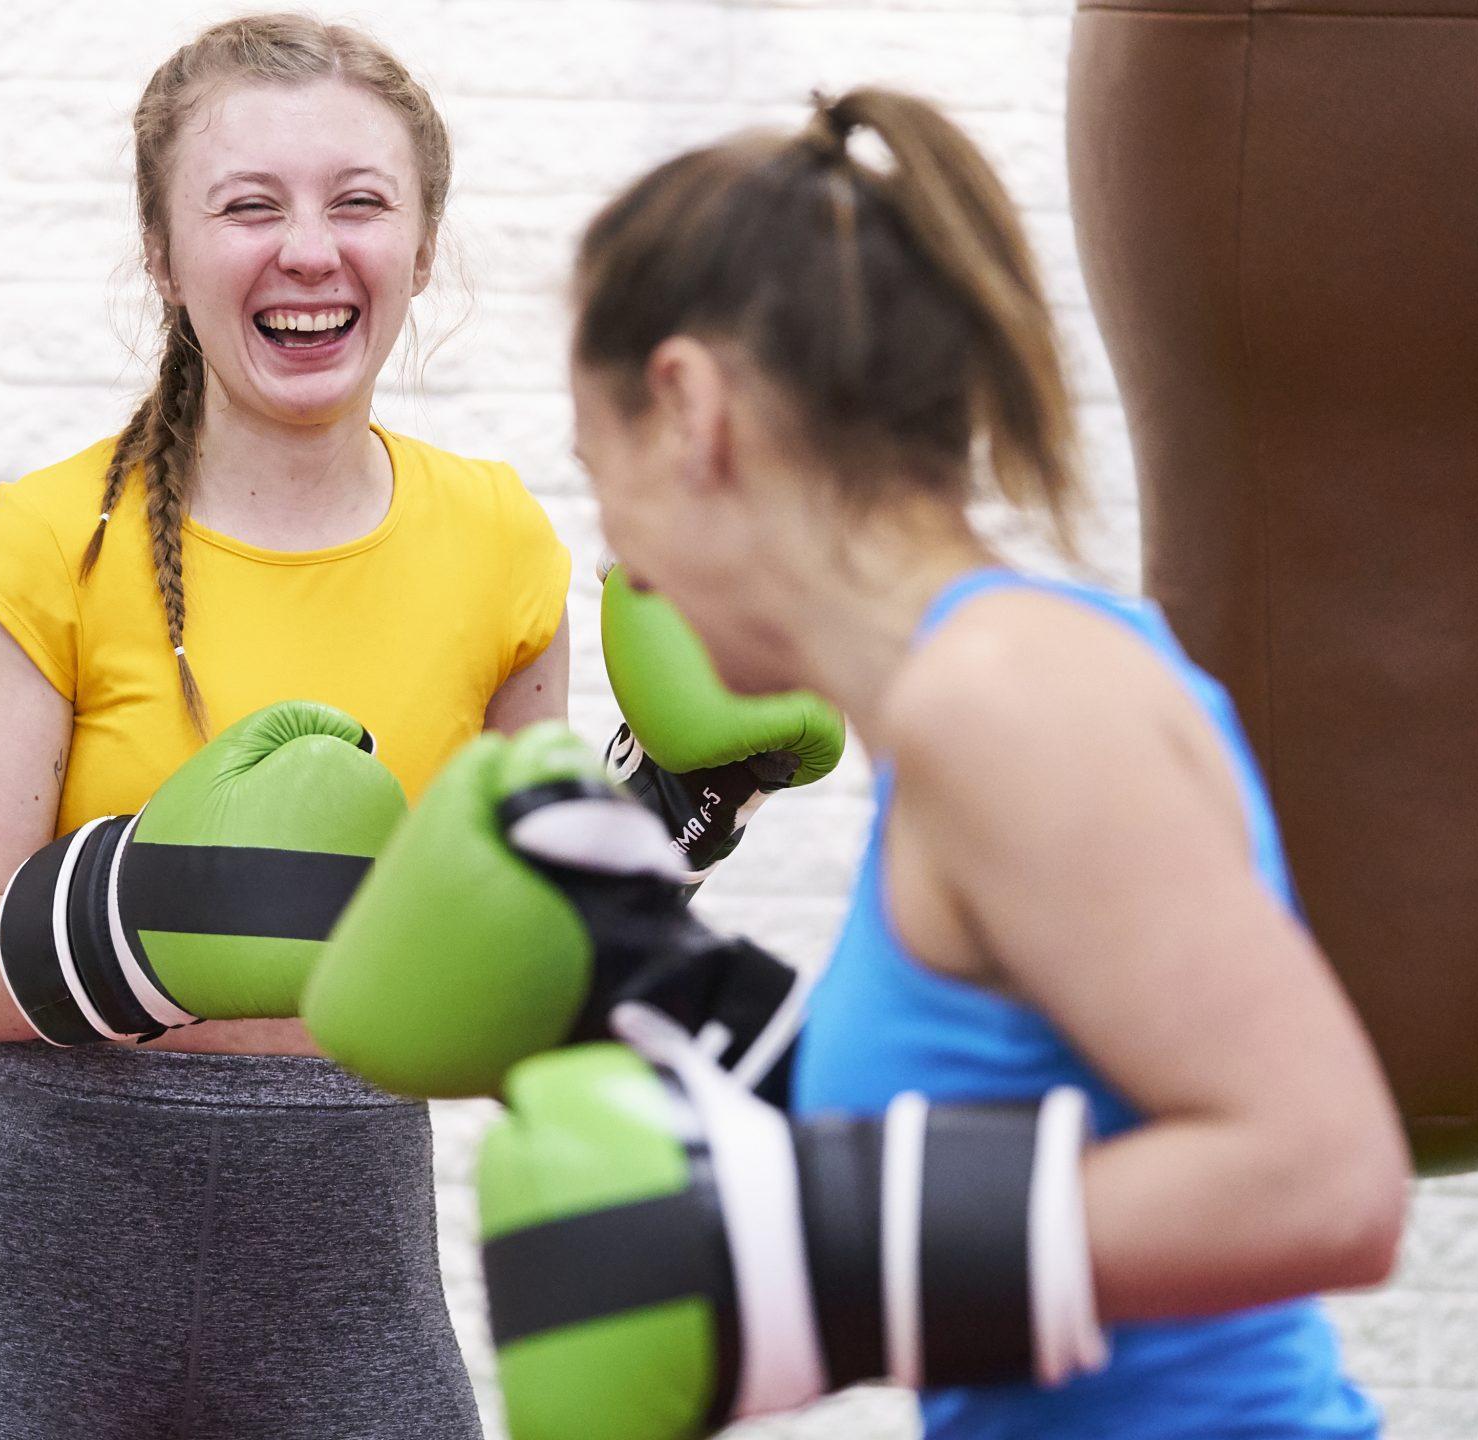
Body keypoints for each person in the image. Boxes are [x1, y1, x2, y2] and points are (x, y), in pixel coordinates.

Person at [331, 87, 1413, 1439]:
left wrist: (806, 1261)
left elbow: (1328, 1181)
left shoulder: (1008, 697)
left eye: (594, 459)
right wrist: (682, 998)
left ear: (688, 409)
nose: (614, 551)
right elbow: (1021, 1126)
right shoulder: (968, 700)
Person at [0, 16, 567, 1439]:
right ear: (165, 255)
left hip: (350, 1258)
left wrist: (676, 805)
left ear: (424, 244)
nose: (309, 249)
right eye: (249, 207)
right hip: (44, 1258)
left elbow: (511, 974)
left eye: (359, 201)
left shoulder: (500, 539)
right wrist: (149, 915)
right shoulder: (48, 536)